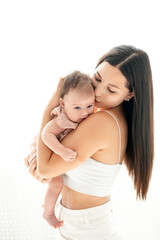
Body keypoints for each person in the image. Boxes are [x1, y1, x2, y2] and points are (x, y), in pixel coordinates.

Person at [25, 45, 154, 240]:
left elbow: (45, 169)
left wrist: (51, 104)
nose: (98, 92)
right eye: (98, 79)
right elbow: (49, 168)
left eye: (111, 89)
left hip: (89, 229)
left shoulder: (102, 122)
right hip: (83, 224)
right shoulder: (105, 116)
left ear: (130, 95)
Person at [26, 71, 95, 229]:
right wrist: (62, 151)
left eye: (89, 106)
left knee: (59, 182)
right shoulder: (62, 119)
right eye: (77, 107)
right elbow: (46, 134)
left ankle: (48, 205)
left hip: (53, 149)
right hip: (41, 149)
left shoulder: (83, 115)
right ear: (62, 104)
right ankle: (48, 213)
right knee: (57, 183)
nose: (84, 112)